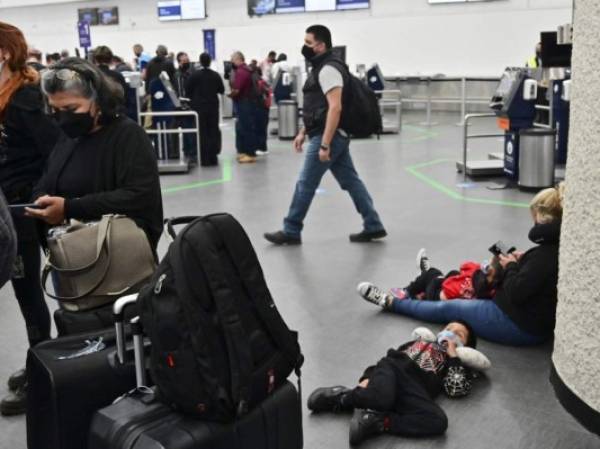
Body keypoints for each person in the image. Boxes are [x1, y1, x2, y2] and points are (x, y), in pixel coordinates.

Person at [357, 183, 564, 347]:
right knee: (457, 281)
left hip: (518, 323)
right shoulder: (553, 250)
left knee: (447, 308)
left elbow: (518, 291)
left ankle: (392, 303)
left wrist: (510, 266)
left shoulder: (545, 256)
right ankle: (422, 282)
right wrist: (519, 262)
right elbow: (533, 280)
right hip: (527, 320)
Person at [264, 25, 386, 245]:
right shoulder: (321, 67)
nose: (305, 47)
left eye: (309, 43)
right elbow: (317, 107)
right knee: (351, 181)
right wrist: (303, 131)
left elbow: (335, 108)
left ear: (320, 45)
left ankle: (291, 229)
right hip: (328, 134)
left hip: (328, 136)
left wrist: (325, 144)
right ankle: (373, 224)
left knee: (305, 183)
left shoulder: (328, 69)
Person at [26, 57, 163, 252]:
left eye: (71, 109)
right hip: (69, 255)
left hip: (117, 258)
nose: (63, 118)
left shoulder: (128, 135)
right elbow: (48, 177)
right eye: (54, 110)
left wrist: (70, 208)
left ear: (98, 101)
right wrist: (40, 198)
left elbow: (139, 195)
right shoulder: (68, 138)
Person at [0, 21, 62, 416]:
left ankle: (41, 373)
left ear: (4, 54)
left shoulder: (23, 97)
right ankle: (40, 363)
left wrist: (35, 195)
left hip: (24, 210)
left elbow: (55, 150)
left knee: (28, 292)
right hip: (7, 206)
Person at [308, 321, 482, 446]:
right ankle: (343, 398)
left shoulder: (453, 362)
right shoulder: (422, 343)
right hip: (393, 369)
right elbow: (385, 361)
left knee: (438, 421)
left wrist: (453, 357)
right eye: (448, 328)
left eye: (458, 334)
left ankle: (378, 421)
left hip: (415, 389)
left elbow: (455, 389)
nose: (450, 333)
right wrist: (367, 378)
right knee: (382, 397)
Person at [386, 249, 501, 301]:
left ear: (488, 270)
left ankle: (406, 292)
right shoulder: (489, 291)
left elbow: (464, 265)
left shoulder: (474, 272)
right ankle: (422, 286)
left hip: (437, 292)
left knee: (432, 273)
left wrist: (478, 266)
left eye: (486, 263)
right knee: (453, 273)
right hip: (451, 293)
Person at [185, 52, 225, 167]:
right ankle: (213, 157)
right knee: (213, 130)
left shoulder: (194, 75)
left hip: (199, 108)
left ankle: (204, 159)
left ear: (200, 61)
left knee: (202, 132)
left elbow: (187, 90)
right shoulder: (216, 75)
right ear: (210, 61)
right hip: (213, 107)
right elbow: (221, 90)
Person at [229, 51, 257, 164]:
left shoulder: (241, 72)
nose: (231, 62)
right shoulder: (248, 70)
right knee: (245, 127)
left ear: (238, 59)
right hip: (248, 102)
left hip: (243, 103)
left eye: (232, 59)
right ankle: (246, 152)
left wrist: (230, 95)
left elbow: (236, 90)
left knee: (246, 128)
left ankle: (250, 154)